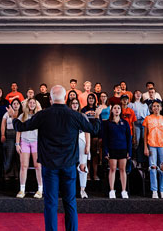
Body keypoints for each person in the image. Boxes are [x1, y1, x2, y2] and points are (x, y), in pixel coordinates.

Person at [11, 85, 100, 231]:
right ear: (65, 98)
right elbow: (94, 129)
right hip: (69, 165)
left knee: (50, 203)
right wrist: (97, 117)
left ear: (51, 99)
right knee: (70, 202)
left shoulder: (43, 114)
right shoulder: (75, 115)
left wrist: (14, 117)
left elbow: (21, 127)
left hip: (49, 166)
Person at [15, 98, 43, 199]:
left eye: (33, 103)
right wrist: (17, 144)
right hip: (24, 142)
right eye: (30, 103)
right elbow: (18, 130)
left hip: (35, 142)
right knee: (24, 166)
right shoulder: (22, 116)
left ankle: (40, 189)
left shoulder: (39, 116)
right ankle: (22, 190)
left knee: (38, 166)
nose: (31, 104)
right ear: (27, 104)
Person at [103, 104, 131, 199]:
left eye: (118, 108)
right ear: (111, 110)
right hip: (112, 149)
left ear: (121, 110)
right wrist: (106, 151)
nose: (117, 110)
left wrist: (129, 151)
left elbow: (129, 138)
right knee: (113, 169)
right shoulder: (107, 123)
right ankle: (112, 190)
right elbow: (105, 138)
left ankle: (123, 190)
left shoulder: (125, 123)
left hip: (123, 149)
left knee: (123, 170)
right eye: (114, 108)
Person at [143, 101, 163, 199]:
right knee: (153, 168)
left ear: (161, 108)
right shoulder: (148, 118)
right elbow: (145, 134)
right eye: (154, 106)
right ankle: (154, 190)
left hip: (162, 146)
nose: (156, 108)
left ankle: (162, 190)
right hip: (152, 145)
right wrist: (145, 147)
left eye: (158, 106)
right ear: (151, 108)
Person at [68, 99, 90, 199]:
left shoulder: (83, 116)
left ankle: (82, 190)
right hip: (70, 142)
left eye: (77, 103)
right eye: (73, 103)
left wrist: (88, 145)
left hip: (82, 141)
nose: (75, 105)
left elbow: (87, 131)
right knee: (69, 167)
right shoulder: (66, 116)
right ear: (70, 105)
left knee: (82, 167)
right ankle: (69, 190)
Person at [1, 98, 22, 179]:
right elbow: (3, 125)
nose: (16, 105)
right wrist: (2, 135)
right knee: (9, 156)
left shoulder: (22, 114)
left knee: (18, 157)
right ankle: (7, 173)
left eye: (17, 103)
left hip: (20, 136)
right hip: (9, 135)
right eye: (14, 103)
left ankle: (17, 174)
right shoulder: (7, 114)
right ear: (11, 105)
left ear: (20, 105)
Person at [128, 90, 149, 162]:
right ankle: (134, 158)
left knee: (144, 140)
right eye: (136, 93)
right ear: (134, 95)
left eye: (140, 93)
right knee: (136, 140)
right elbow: (128, 114)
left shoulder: (144, 104)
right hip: (135, 123)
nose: (138, 94)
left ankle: (142, 160)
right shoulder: (131, 104)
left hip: (143, 123)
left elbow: (148, 115)